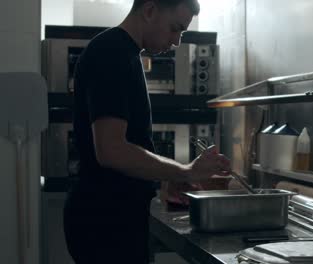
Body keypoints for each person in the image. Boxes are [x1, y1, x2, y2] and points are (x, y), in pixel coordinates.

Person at [64, 0, 231, 263]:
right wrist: (184, 170)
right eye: (175, 28)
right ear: (150, 10)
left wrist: (164, 177)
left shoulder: (126, 54)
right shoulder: (112, 53)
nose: (176, 41)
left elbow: (131, 144)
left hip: (115, 217)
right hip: (104, 222)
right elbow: (112, 151)